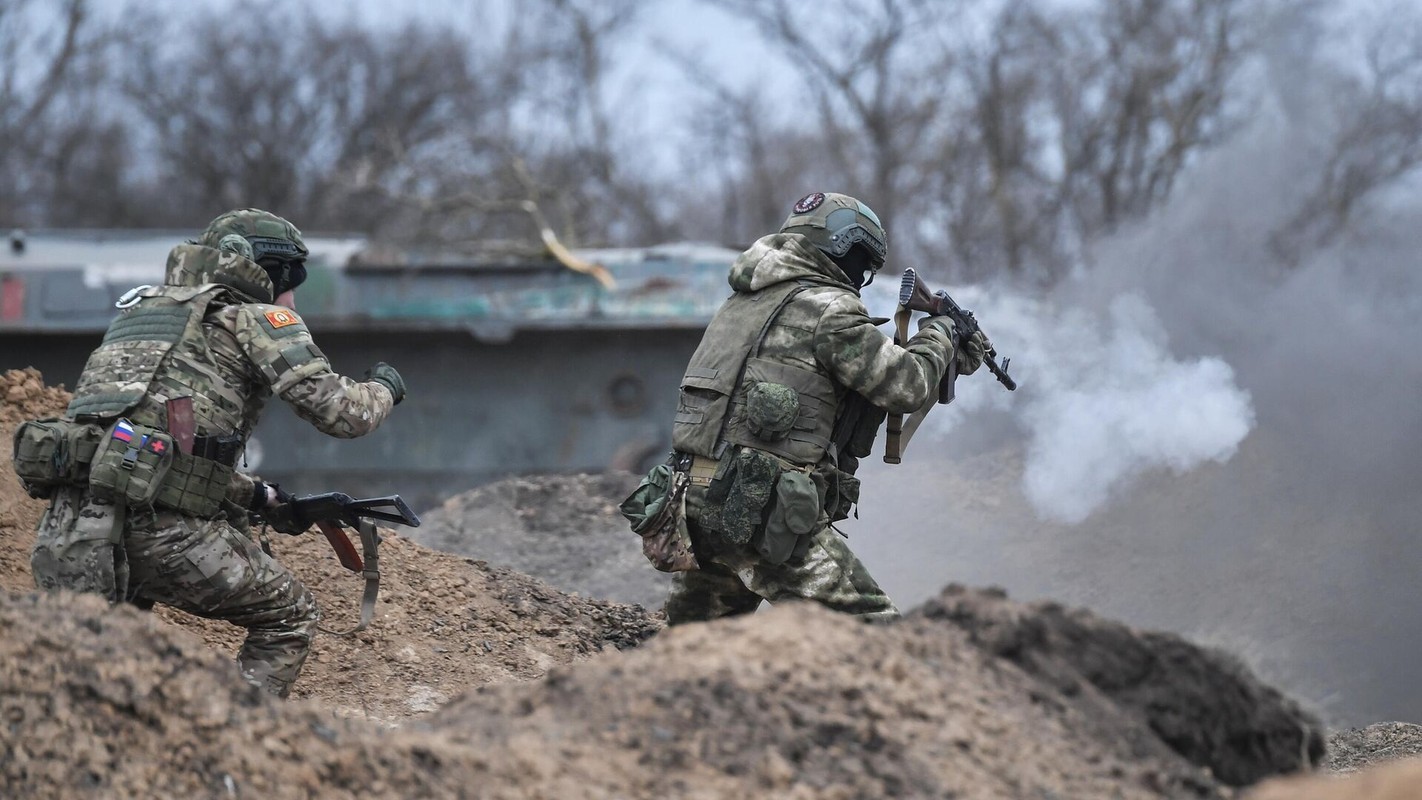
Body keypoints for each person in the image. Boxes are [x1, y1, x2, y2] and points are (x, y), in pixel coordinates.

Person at [21, 208, 406, 697]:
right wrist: (386, 388)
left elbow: (149, 449)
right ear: (261, 271)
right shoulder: (255, 318)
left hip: (68, 536)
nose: (292, 295)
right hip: (159, 537)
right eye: (291, 279)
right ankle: (234, 740)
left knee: (92, 693)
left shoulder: (142, 313)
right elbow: (345, 414)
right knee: (291, 615)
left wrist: (261, 497)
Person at [656, 191, 986, 625]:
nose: (861, 278)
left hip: (689, 506)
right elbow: (905, 385)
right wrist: (943, 333)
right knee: (882, 639)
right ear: (842, 247)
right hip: (756, 509)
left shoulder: (740, 303)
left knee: (694, 646)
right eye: (864, 264)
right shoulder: (830, 307)